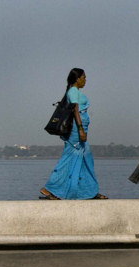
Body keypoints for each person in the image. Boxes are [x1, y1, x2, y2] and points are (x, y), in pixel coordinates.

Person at [40, 68, 108, 200]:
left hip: (80, 130)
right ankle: (50, 188)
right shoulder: (73, 91)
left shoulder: (74, 91)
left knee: (85, 160)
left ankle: (88, 192)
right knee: (69, 157)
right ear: (77, 79)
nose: (85, 80)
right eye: (84, 77)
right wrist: (81, 129)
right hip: (77, 131)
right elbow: (75, 110)